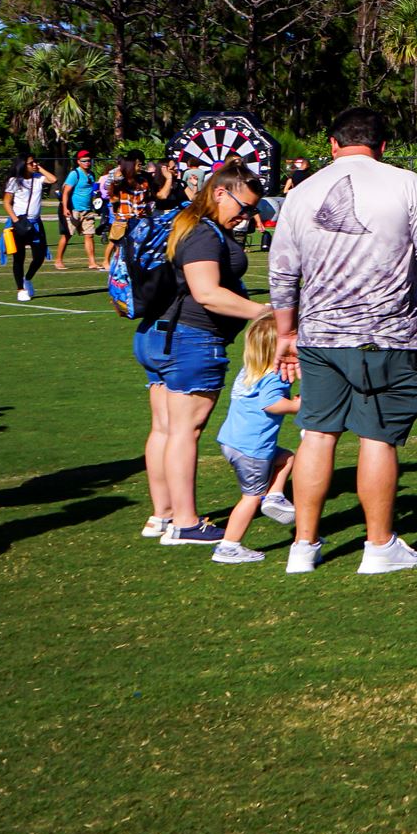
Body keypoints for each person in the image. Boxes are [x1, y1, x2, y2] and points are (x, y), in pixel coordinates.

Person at [268, 107, 417, 575]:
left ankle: (303, 545)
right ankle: (378, 545)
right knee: (377, 437)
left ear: (333, 145)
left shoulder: (302, 191)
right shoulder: (405, 183)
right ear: (382, 145)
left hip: (319, 335)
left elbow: (281, 271)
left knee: (316, 433)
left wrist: (285, 332)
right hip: (384, 335)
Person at [141, 160, 271, 547]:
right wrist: (267, 312)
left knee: (165, 427)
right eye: (243, 207)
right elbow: (207, 293)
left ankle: (162, 515)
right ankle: (184, 522)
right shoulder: (203, 233)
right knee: (185, 430)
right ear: (219, 192)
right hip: (189, 340)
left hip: (159, 335)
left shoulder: (188, 223)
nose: (246, 216)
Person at [209, 320, 299, 564]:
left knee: (286, 458)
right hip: (253, 449)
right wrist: (296, 405)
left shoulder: (250, 371)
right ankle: (228, 547)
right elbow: (271, 404)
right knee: (250, 497)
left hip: (231, 442)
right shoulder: (273, 377)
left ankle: (275, 496)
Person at [3, 151, 50, 301]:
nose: (34, 164)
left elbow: (53, 179)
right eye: (31, 163)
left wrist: (39, 168)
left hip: (35, 222)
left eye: (35, 162)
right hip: (19, 222)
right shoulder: (14, 181)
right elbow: (6, 202)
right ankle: (20, 289)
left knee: (39, 256)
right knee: (19, 257)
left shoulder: (38, 178)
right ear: (23, 165)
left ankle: (28, 278)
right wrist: (15, 220)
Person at [56, 148, 105, 272]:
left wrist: (97, 201)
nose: (87, 163)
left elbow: (93, 192)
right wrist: (65, 208)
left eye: (88, 161)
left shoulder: (91, 174)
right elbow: (66, 192)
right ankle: (58, 260)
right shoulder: (75, 174)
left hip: (87, 210)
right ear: (78, 162)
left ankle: (92, 262)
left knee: (89, 235)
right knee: (67, 235)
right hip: (74, 209)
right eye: (84, 161)